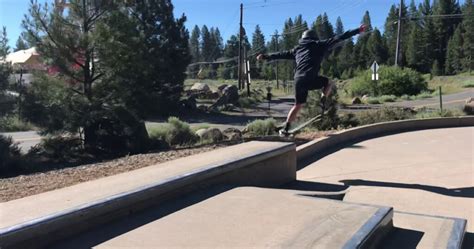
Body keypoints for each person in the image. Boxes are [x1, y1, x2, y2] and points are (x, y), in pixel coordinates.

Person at [257, 24, 367, 134]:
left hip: (298, 80)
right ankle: (323, 97)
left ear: (303, 39)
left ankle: (286, 128)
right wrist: (357, 30)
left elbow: (280, 54)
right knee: (328, 82)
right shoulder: (319, 44)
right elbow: (340, 37)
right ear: (314, 38)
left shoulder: (297, 50)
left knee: (297, 105)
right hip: (310, 78)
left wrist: (265, 56)